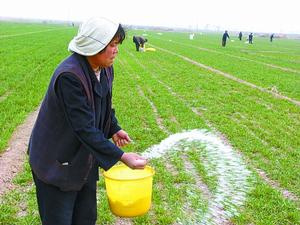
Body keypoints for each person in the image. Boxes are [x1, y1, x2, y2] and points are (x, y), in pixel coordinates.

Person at [28, 17, 147, 225]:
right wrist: (121, 156)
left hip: (83, 161)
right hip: (56, 163)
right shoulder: (69, 76)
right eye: (111, 45)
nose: (116, 50)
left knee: (85, 218)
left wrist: (113, 128)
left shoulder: (105, 69)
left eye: (117, 44)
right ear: (94, 46)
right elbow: (84, 128)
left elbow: (103, 104)